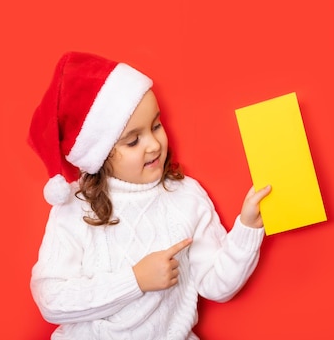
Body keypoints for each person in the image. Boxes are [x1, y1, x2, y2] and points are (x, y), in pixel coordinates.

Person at [28, 51, 272, 340]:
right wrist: (136, 280)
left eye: (156, 126)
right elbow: (51, 299)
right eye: (133, 140)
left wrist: (248, 229)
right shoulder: (75, 207)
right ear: (100, 154)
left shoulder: (186, 197)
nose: (154, 144)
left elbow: (217, 285)